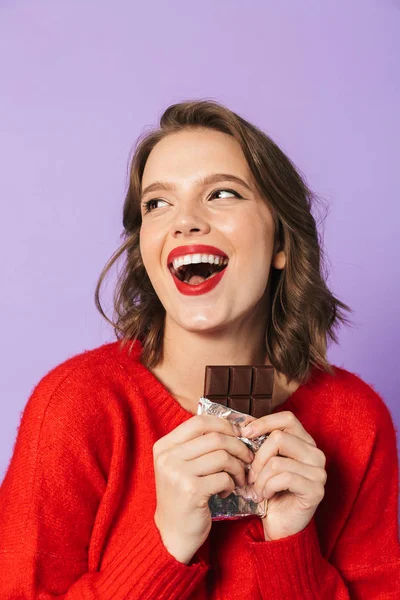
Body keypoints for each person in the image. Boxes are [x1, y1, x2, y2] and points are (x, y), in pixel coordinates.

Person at [0, 100, 399, 599]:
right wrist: (164, 543)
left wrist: (293, 545)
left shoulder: (355, 421)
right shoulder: (74, 404)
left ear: (281, 241)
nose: (184, 221)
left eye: (222, 193)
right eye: (157, 204)